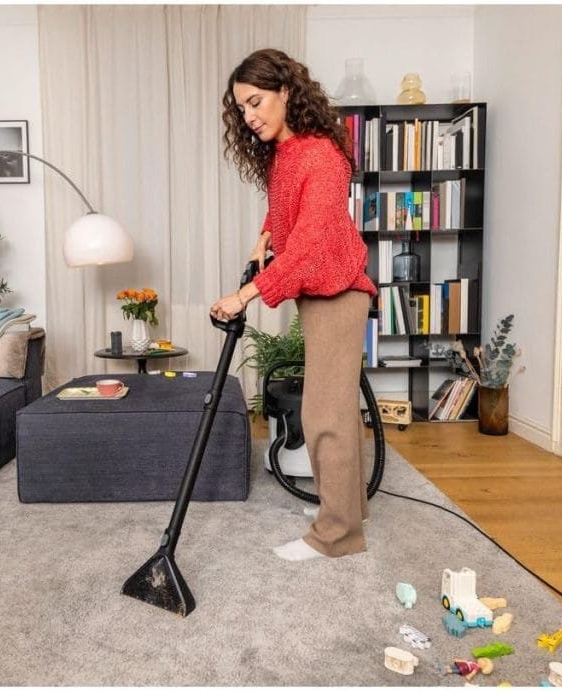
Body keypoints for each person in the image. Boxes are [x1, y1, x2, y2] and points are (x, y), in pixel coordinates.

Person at [210, 48, 378, 561]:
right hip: (318, 293)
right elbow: (286, 208)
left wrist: (243, 296)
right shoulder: (286, 154)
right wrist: (264, 235)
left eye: (256, 101)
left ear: (286, 91)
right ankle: (346, 509)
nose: (250, 116)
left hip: (339, 293)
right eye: (242, 109)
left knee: (325, 413)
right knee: (334, 409)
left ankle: (337, 536)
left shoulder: (321, 155)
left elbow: (306, 246)